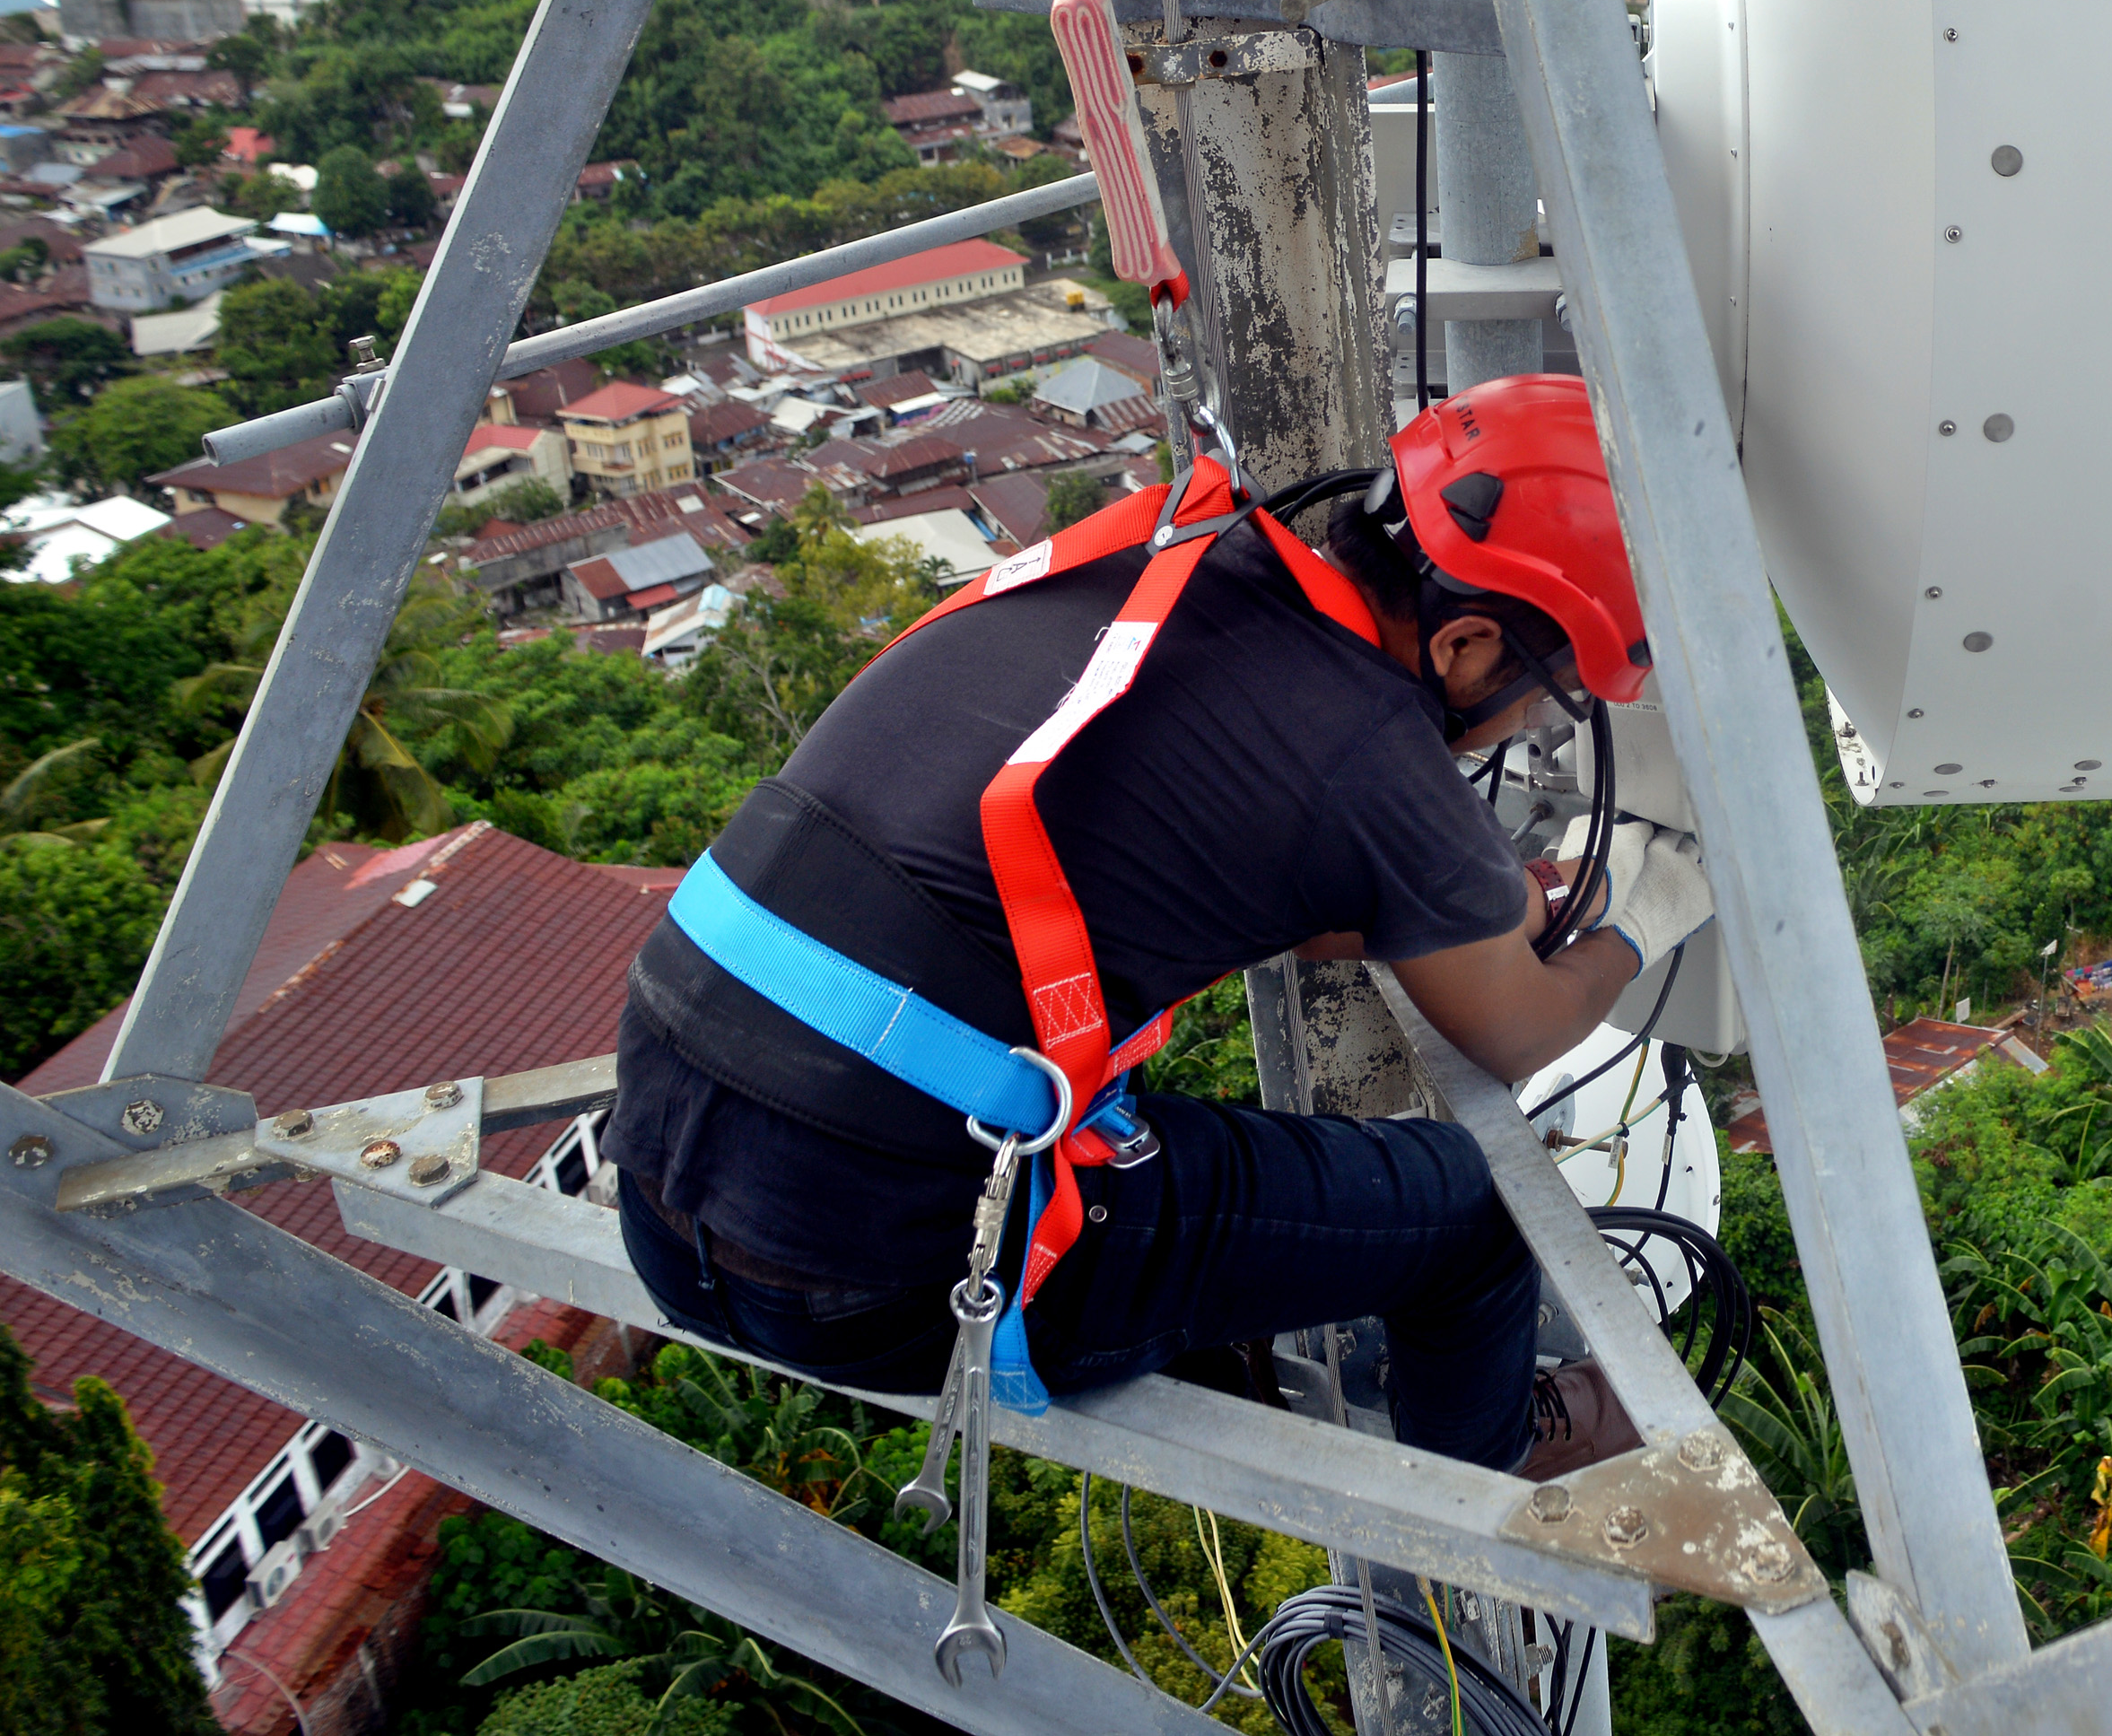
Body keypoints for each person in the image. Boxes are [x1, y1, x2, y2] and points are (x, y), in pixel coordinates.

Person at [605, 374, 1715, 1479]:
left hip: (658, 1175)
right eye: (1550, 686)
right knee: (1472, 1214)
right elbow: (1512, 1032)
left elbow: (1266, 873)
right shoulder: (1374, 755)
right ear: (1467, 648)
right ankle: (1498, 1458)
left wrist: (1506, 896)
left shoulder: (1169, 557)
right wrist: (1640, 915)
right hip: (867, 1286)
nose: (1532, 718)